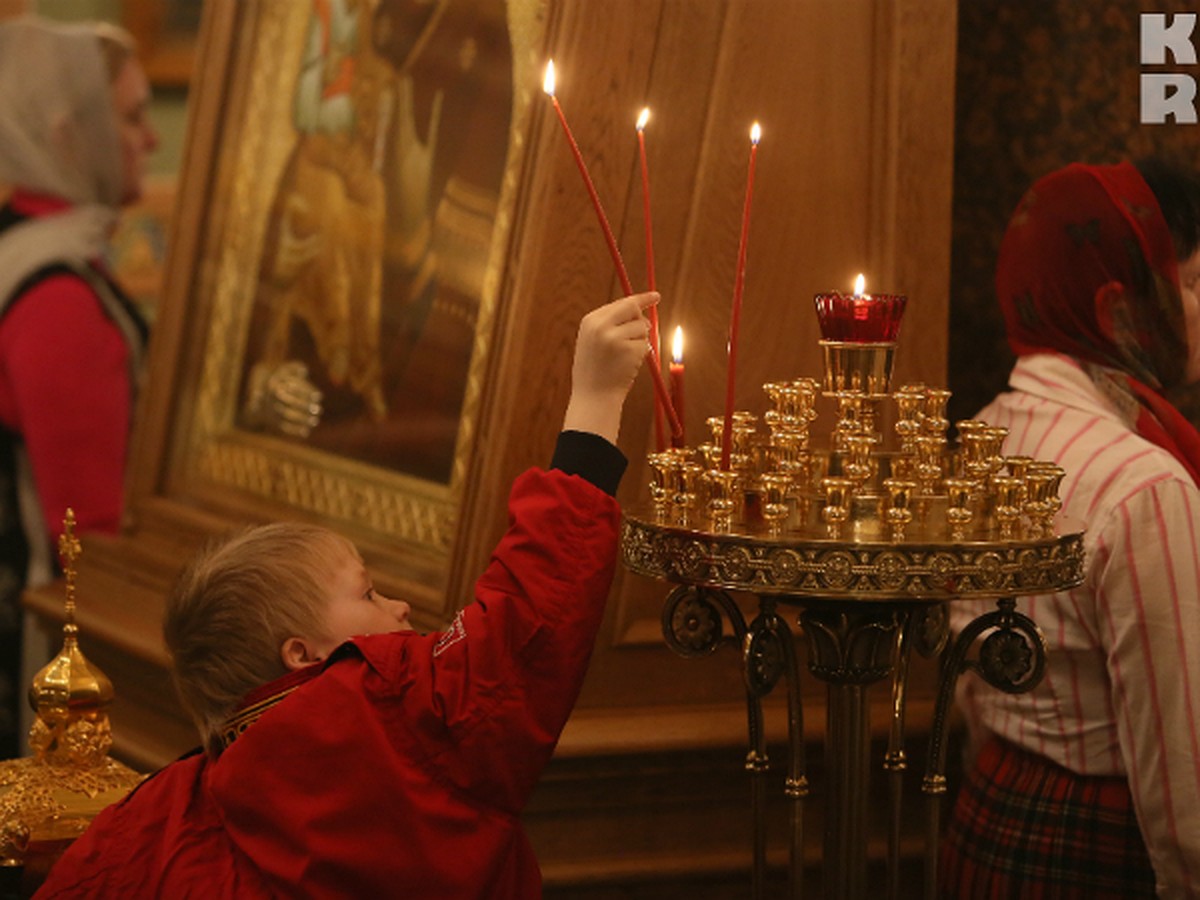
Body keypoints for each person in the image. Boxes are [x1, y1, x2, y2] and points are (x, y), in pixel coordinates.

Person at [34, 290, 659, 899]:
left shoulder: (166, 806)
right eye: (367, 594)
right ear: (302, 656)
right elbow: (526, 624)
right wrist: (595, 406)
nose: (400, 609)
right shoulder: (379, 724)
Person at [940, 159, 1200, 897]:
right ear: (1119, 306)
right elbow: (1185, 798)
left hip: (989, 818)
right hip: (1093, 852)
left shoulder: (989, 431)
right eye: (1192, 283)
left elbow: (975, 693)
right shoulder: (1144, 486)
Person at [0, 16, 158, 759]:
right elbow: (84, 541)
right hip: (40, 657)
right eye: (131, 117)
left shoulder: (24, 246)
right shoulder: (56, 295)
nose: (151, 140)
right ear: (68, 136)